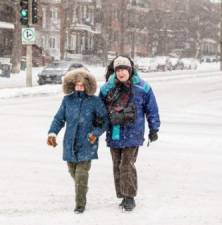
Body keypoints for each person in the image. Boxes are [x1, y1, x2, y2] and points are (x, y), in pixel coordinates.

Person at [99, 56, 160, 211]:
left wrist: (154, 128)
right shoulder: (107, 88)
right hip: (115, 132)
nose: (121, 73)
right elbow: (99, 111)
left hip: (133, 133)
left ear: (130, 70)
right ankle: (122, 195)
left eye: (124, 69)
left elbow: (151, 109)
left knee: (126, 165)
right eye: (118, 69)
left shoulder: (143, 87)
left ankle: (130, 197)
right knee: (117, 165)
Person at [47, 68, 109, 214]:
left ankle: (80, 204)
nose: (79, 87)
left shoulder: (94, 101)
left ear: (88, 85)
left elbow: (104, 121)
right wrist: (52, 133)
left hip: (87, 143)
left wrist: (95, 133)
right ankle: (82, 188)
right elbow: (59, 118)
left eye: (82, 84)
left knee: (81, 174)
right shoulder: (67, 100)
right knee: (72, 171)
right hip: (70, 143)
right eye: (77, 84)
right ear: (72, 85)